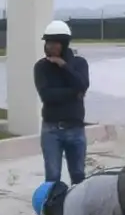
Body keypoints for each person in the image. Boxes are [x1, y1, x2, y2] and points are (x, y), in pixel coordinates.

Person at [33, 20, 90, 187]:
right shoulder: (41, 67)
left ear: (64, 44)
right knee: (53, 176)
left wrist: (64, 66)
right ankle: (53, 210)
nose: (49, 46)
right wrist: (74, 93)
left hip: (76, 129)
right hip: (51, 130)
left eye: (54, 42)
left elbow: (83, 84)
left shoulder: (79, 63)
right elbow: (47, 96)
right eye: (47, 42)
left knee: (78, 175)